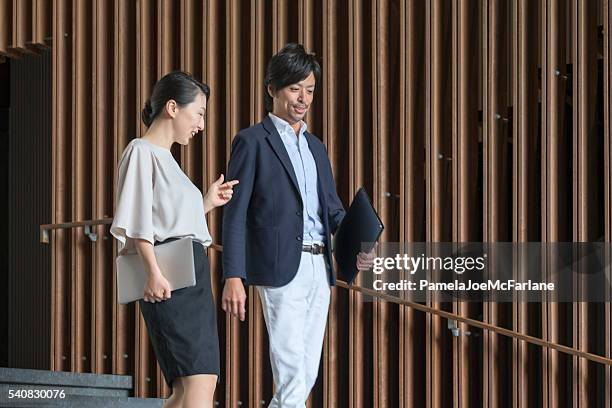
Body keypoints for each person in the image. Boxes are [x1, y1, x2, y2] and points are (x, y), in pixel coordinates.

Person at [221, 43, 373, 408]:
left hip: (319, 270)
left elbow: (332, 211)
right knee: (291, 373)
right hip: (278, 267)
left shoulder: (317, 147)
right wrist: (233, 275)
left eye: (309, 90)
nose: (303, 98)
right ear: (272, 89)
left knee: (306, 373)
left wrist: (360, 240)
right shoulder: (252, 141)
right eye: (294, 89)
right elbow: (235, 212)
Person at [110, 71, 238, 408]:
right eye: (198, 113)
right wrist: (152, 272)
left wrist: (206, 202)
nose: (201, 124)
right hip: (168, 279)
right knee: (199, 384)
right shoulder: (142, 150)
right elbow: (137, 217)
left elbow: (170, 220)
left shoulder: (167, 159)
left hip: (189, 277)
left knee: (189, 390)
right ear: (171, 107)